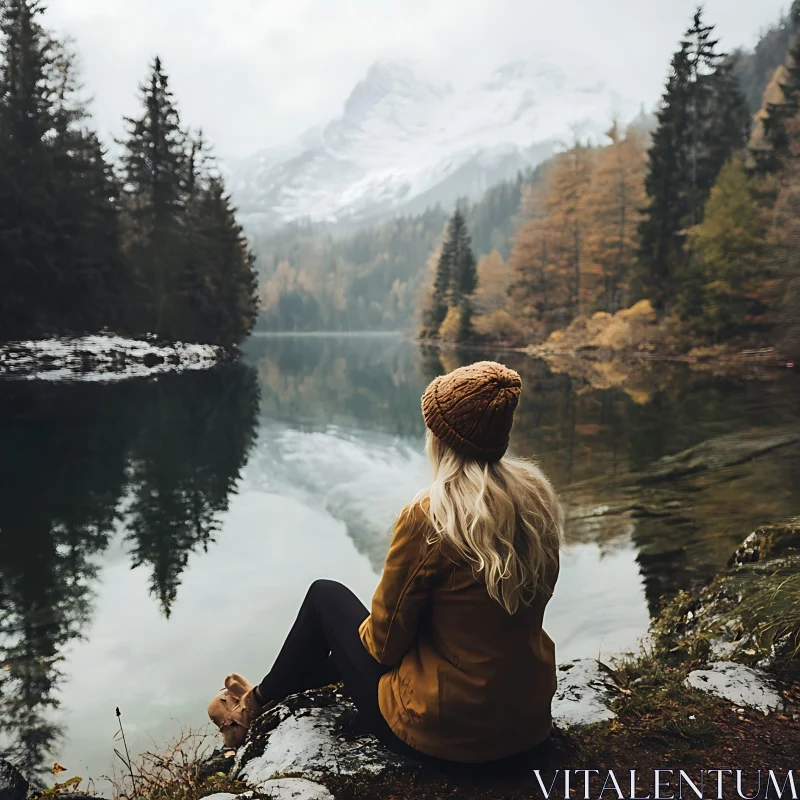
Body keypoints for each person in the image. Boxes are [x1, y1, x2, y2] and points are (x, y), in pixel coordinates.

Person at [208, 361, 563, 766]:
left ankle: (252, 708)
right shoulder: (536, 498)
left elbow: (383, 645)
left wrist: (355, 640)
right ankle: (266, 693)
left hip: (449, 730)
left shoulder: (432, 515)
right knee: (352, 639)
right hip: (527, 718)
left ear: (442, 439)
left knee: (326, 597)